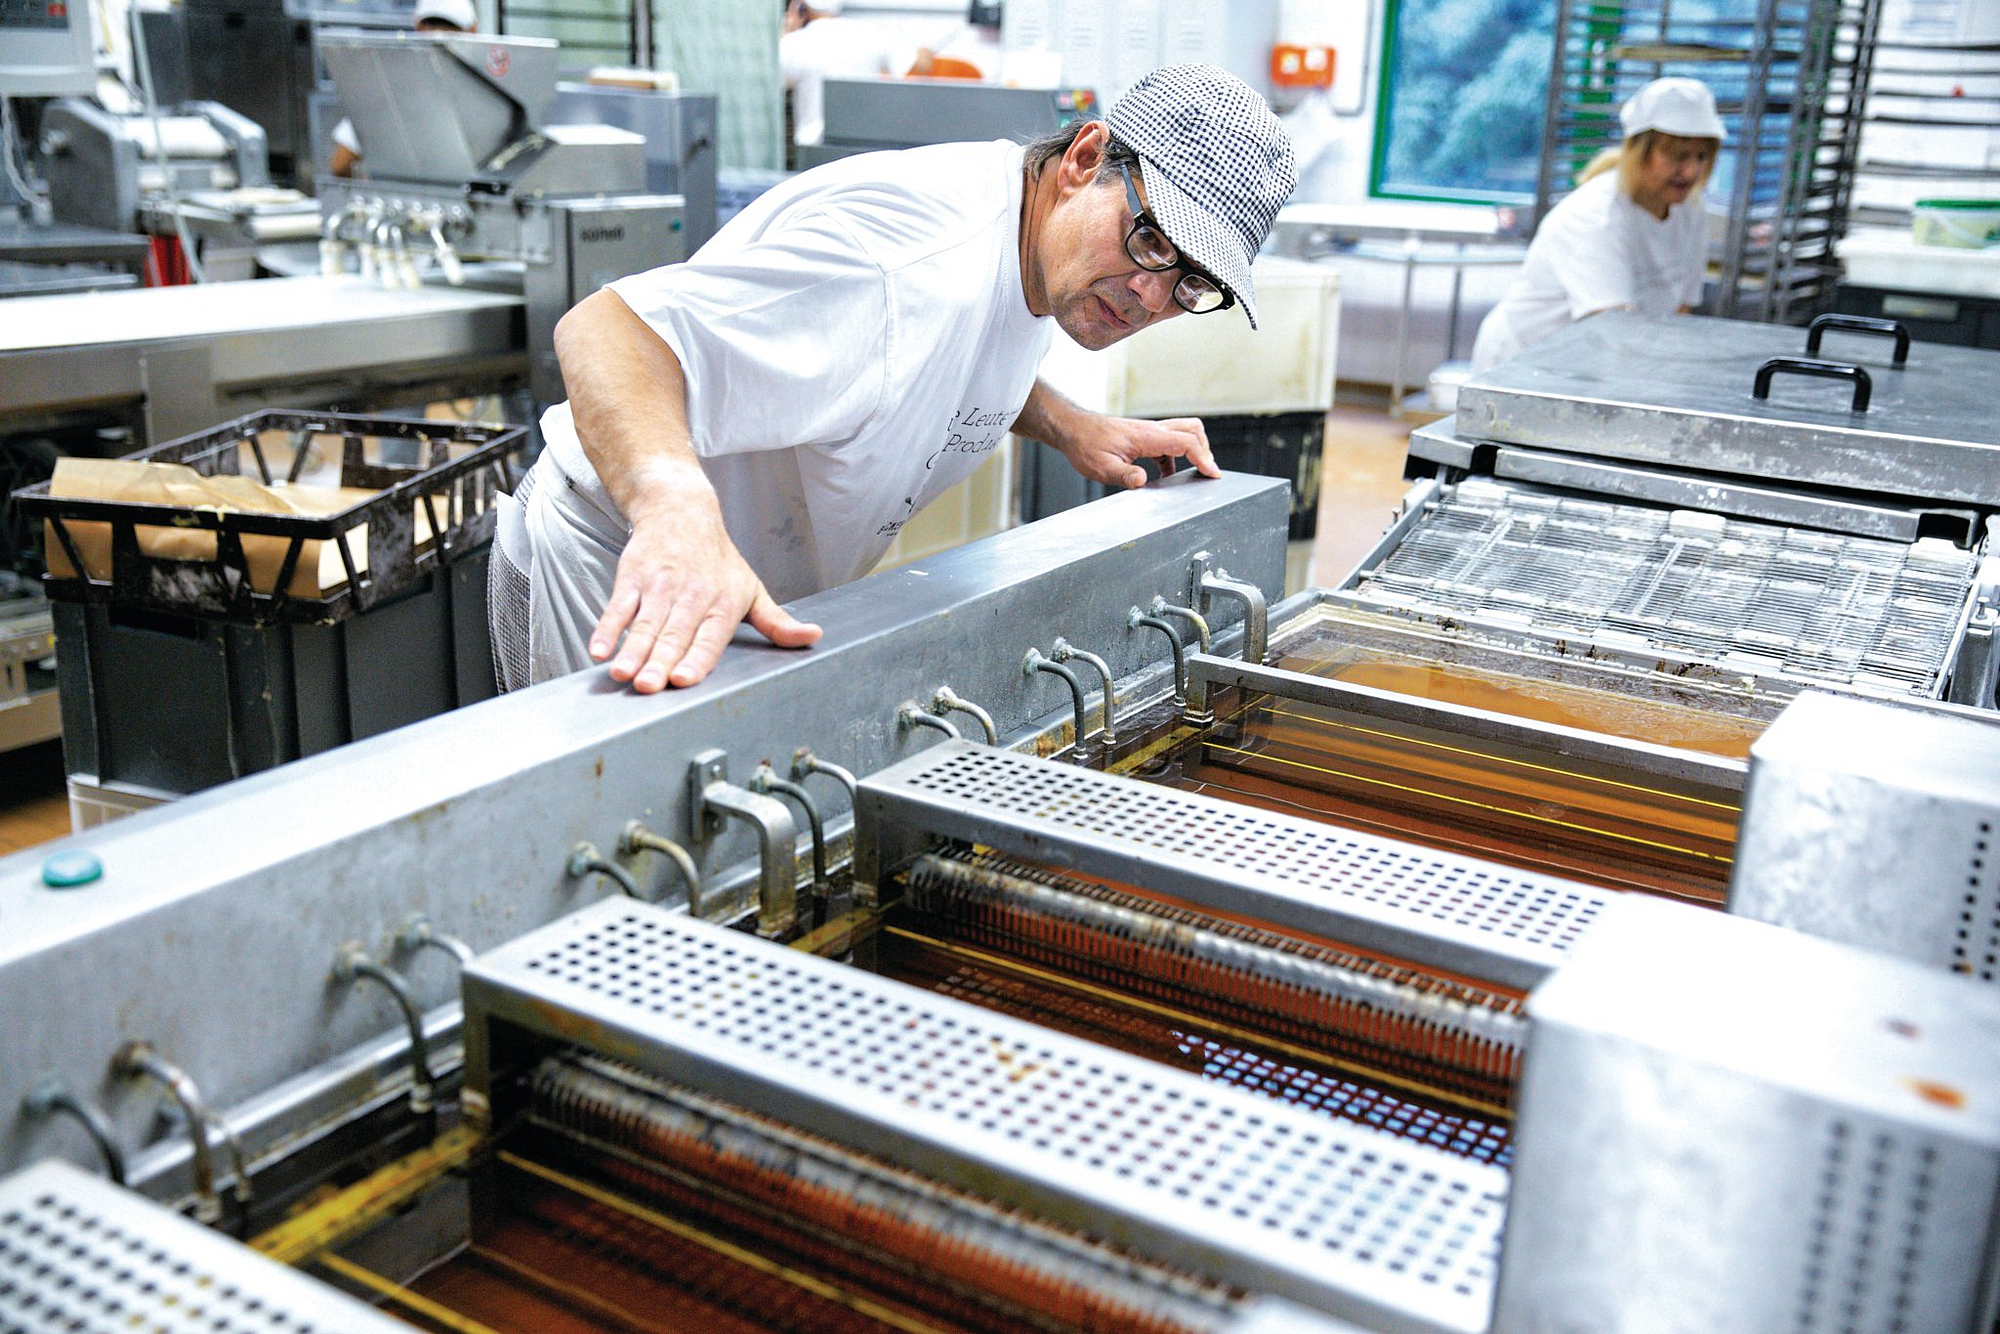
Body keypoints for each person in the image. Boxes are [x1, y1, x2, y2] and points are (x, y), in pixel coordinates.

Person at [489, 63, 1296, 693]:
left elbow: (937, 356)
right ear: (1085, 159)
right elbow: (610, 329)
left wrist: (1068, 423)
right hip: (624, 564)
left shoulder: (1032, 251)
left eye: (1192, 284)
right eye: (1151, 242)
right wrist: (675, 512)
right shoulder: (901, 262)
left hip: (744, 588)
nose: (1152, 295)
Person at [1470, 77, 1724, 373]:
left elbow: (1680, 311)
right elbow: (1614, 330)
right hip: (1526, 364)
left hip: (1593, 366)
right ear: (1639, 150)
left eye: (1701, 156)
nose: (1691, 171)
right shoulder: (1594, 217)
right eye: (1678, 156)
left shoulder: (1690, 211)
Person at [327, 0, 478, 179]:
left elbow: (341, 164)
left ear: (418, 26)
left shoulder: (387, 85)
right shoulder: (487, 91)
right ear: (472, 29)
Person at [779, 0, 934, 150]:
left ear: (800, 7)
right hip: (863, 146)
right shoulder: (871, 33)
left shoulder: (793, 43)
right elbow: (921, 65)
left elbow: (772, 80)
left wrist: (785, 33)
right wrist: (924, 49)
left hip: (812, 147)